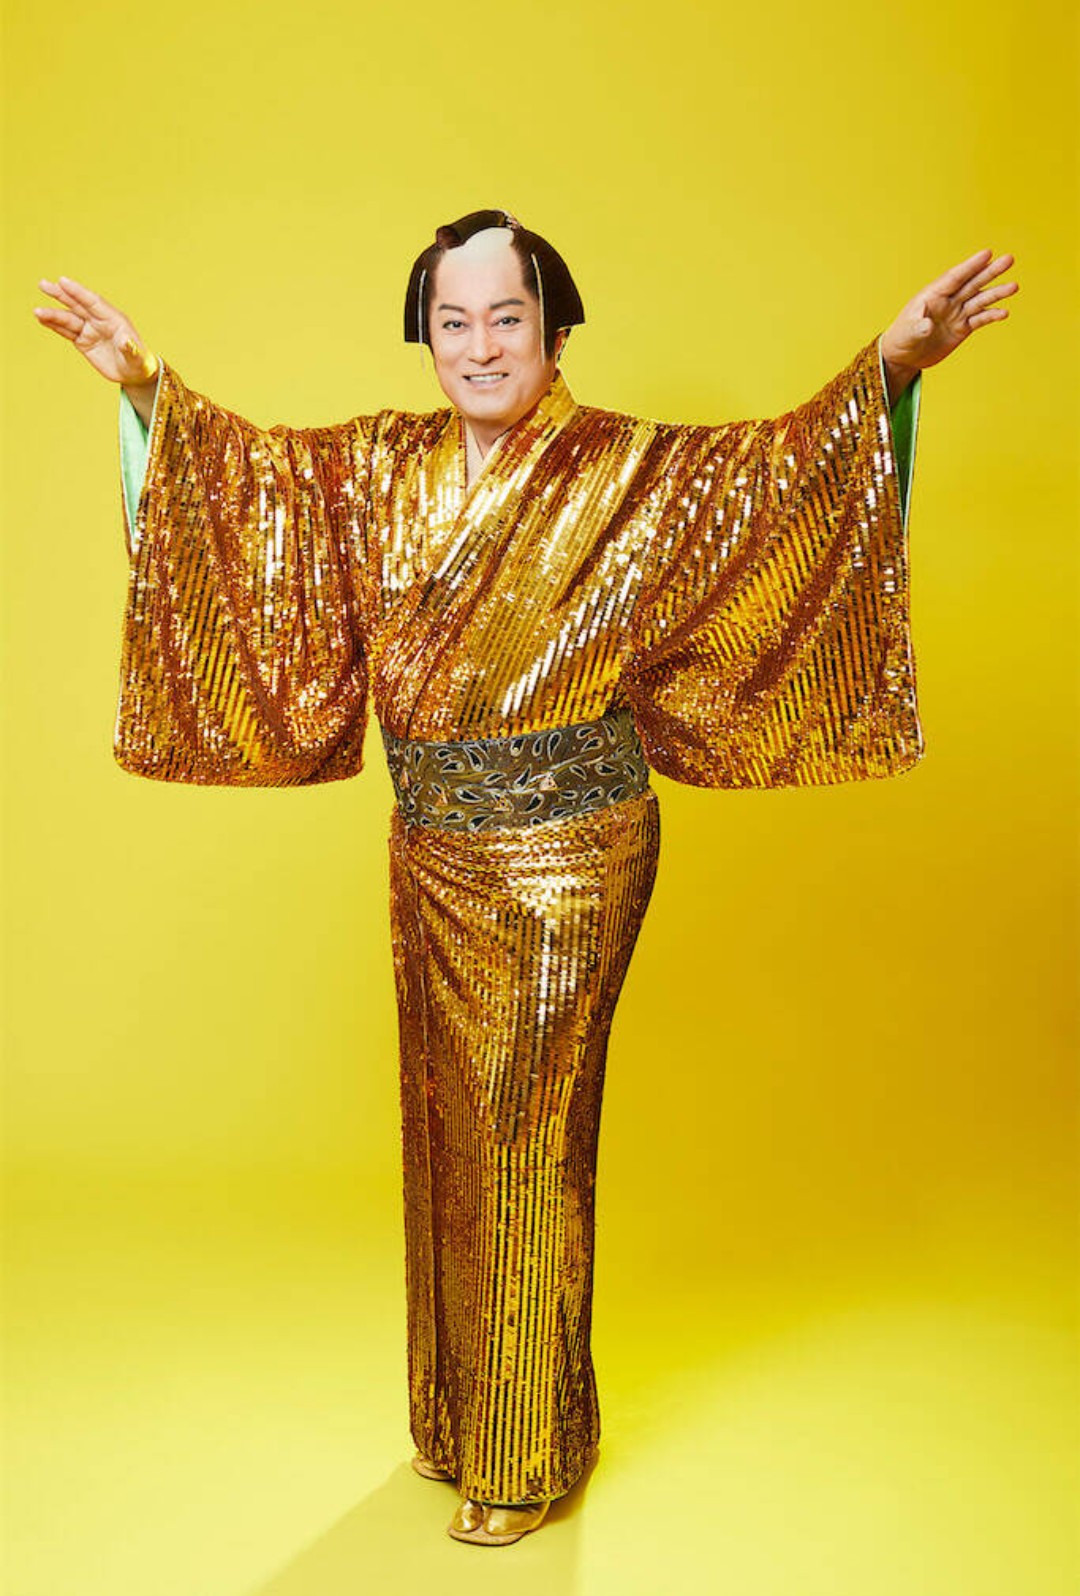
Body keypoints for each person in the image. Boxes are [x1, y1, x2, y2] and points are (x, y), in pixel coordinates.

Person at [33, 211, 1017, 1547]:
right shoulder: (376, 465)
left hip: (571, 853)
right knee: (449, 1123)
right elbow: (249, 495)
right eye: (454, 321)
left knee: (522, 1126)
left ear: (554, 331)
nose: (482, 346)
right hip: (432, 844)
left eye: (508, 318)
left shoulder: (630, 469)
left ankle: (525, 1450)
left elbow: (776, 483)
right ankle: (461, 1416)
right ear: (425, 334)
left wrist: (889, 369)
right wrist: (149, 389)